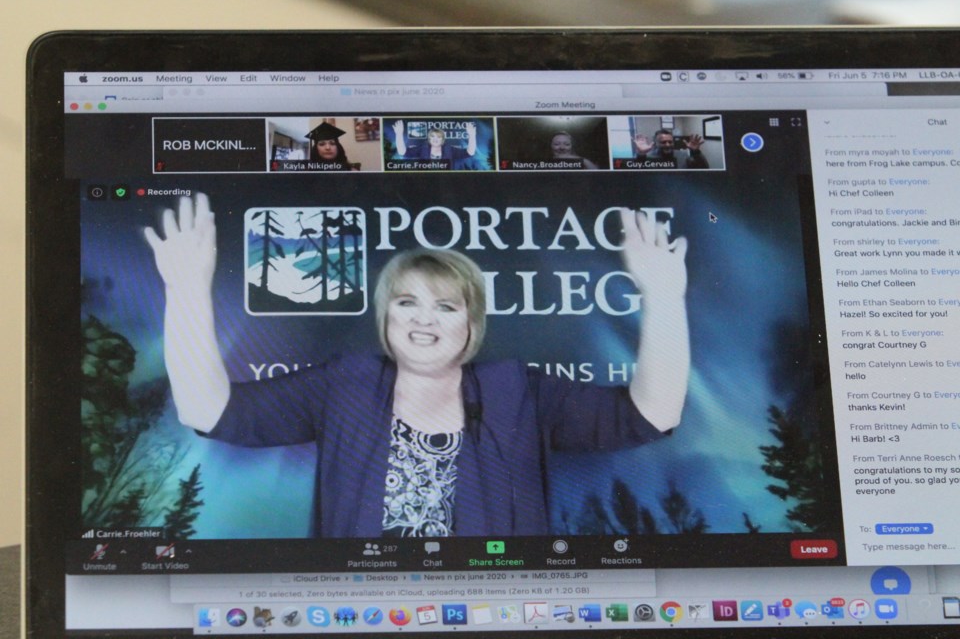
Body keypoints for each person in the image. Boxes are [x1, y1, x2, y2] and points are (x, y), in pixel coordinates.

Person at [144, 194, 691, 538]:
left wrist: (664, 295)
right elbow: (208, 410)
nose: (422, 319)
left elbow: (653, 414)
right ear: (386, 317)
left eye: (446, 305)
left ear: (470, 324)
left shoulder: (517, 390)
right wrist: (186, 287)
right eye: (406, 302)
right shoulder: (345, 382)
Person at [392, 120, 477, 168]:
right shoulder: (422, 148)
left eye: (439, 137)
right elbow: (402, 152)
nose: (435, 139)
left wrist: (472, 135)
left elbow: (470, 152)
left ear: (442, 139)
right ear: (429, 138)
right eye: (433, 136)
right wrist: (399, 134)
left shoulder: (450, 150)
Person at [634, 129, 709, 169]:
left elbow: (704, 168)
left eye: (670, 142)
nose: (668, 145)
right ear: (655, 143)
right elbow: (636, 173)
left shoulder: (683, 155)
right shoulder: (647, 157)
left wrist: (696, 152)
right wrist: (641, 154)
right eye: (663, 142)